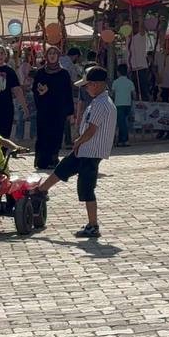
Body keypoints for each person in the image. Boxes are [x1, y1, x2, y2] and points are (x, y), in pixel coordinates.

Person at [33, 66, 116, 238]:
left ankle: (93, 225)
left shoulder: (101, 103)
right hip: (85, 149)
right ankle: (41, 190)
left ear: (96, 84)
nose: (85, 88)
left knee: (86, 188)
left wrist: (78, 140)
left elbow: (92, 129)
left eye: (87, 85)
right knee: (63, 168)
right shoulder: (99, 101)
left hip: (91, 151)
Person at [31, 46, 75, 170]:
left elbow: (68, 92)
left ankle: (53, 159)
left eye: (55, 53)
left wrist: (70, 111)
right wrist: (40, 91)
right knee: (43, 134)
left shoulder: (64, 73)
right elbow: (35, 89)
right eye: (50, 53)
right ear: (46, 56)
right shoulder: (40, 72)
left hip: (59, 110)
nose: (52, 55)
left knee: (56, 134)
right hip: (44, 109)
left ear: (58, 56)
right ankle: (42, 161)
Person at [112, 64, 136, 147]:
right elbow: (134, 94)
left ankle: (125, 139)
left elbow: (113, 94)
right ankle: (121, 140)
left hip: (118, 104)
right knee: (124, 122)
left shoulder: (115, 82)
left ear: (118, 72)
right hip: (128, 104)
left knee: (121, 123)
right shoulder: (130, 82)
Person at [127, 19, 151, 96]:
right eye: (133, 26)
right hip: (132, 69)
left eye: (136, 27)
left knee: (144, 90)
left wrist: (140, 16)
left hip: (141, 68)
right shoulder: (129, 38)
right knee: (135, 91)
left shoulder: (141, 36)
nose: (134, 28)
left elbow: (142, 29)